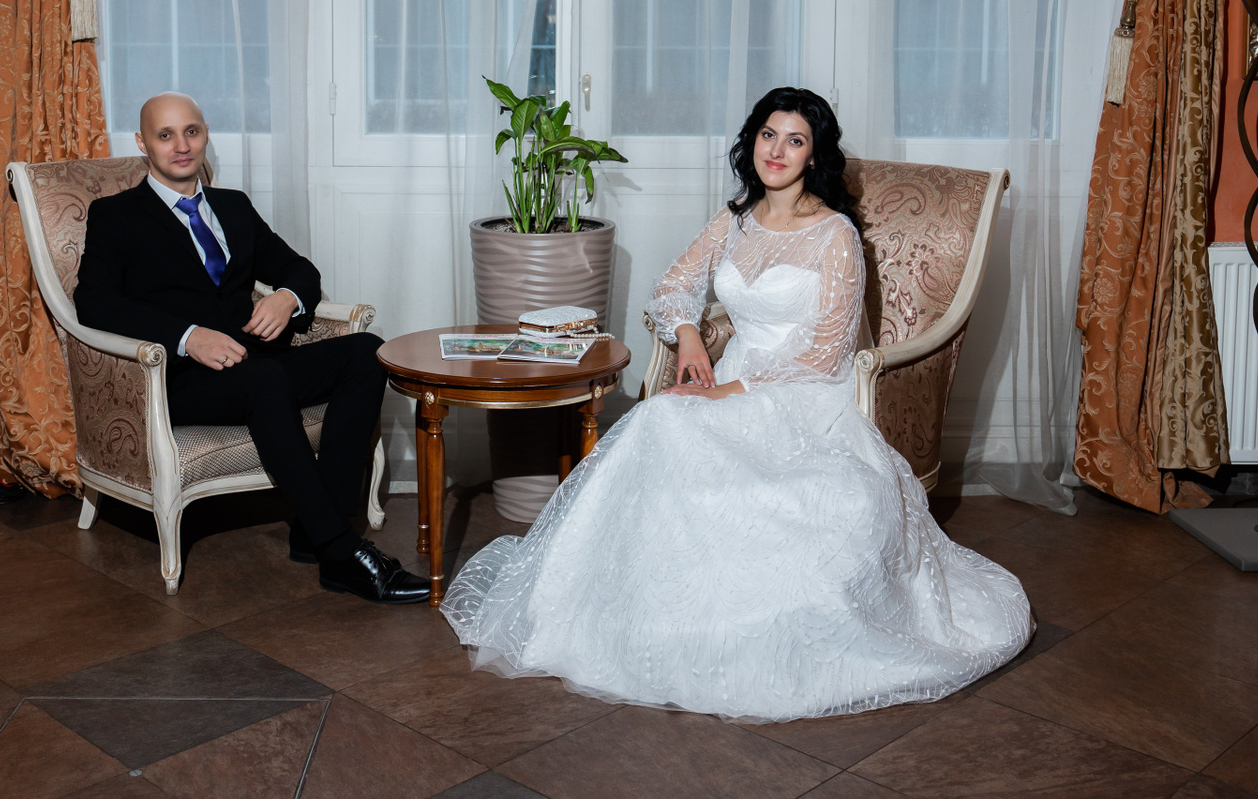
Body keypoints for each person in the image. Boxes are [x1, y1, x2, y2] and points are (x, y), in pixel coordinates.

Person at [440, 87, 1032, 720]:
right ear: (753, 140)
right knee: (661, 418)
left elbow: (825, 354)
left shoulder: (834, 235)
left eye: (795, 140)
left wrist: (730, 389)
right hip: (733, 376)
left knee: (695, 432)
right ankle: (622, 606)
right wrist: (691, 336)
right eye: (768, 135)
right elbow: (674, 285)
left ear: (813, 156)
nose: (777, 150)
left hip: (802, 396)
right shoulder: (735, 218)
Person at [75, 92, 429, 605]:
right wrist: (187, 337)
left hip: (256, 367)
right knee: (266, 378)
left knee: (366, 352)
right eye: (165, 135)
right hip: (176, 379)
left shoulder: (233, 206)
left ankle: (314, 530)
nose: (181, 146)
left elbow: (299, 269)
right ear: (142, 143)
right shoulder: (116, 215)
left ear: (206, 135)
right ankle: (340, 550)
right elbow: (94, 303)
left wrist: (286, 297)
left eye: (191, 132)